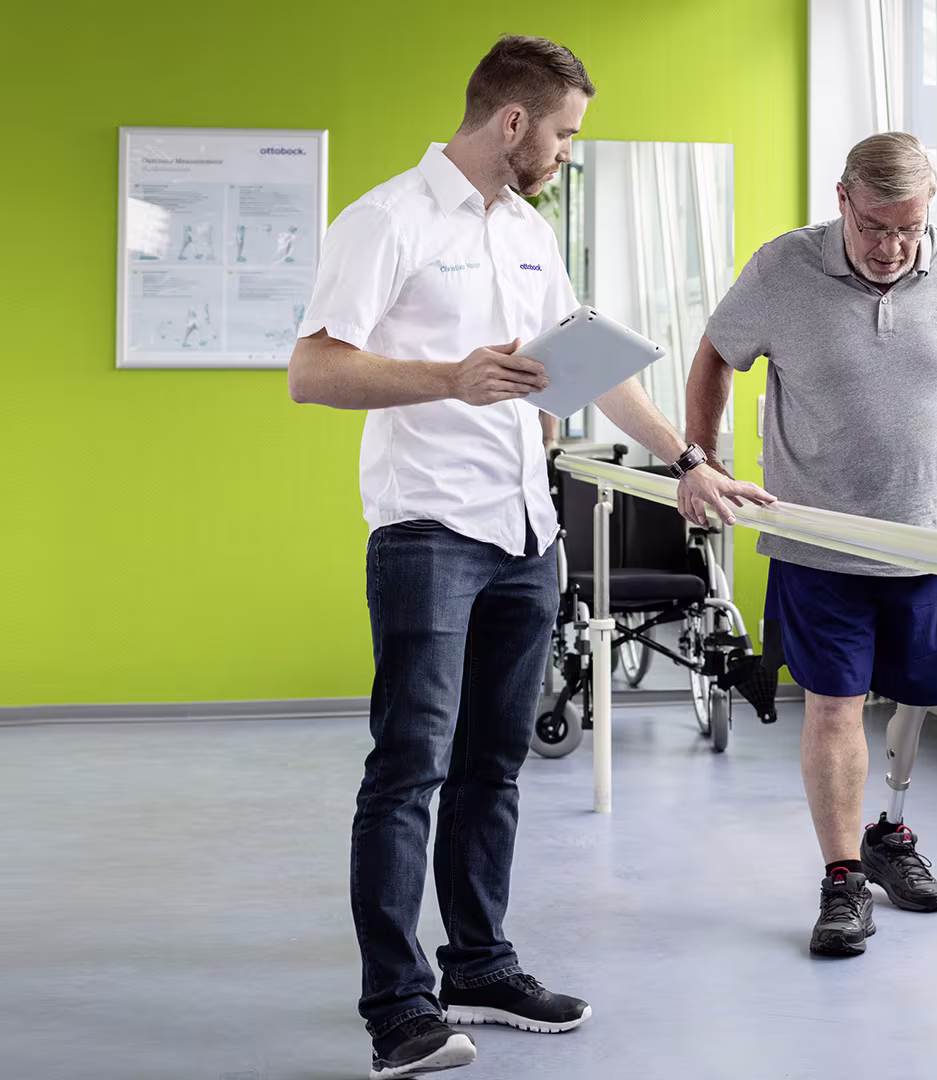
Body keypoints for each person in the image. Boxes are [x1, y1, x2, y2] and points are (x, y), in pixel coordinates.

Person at [287, 34, 772, 1079]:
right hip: (428, 530)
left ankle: (479, 964)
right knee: (409, 766)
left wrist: (688, 458)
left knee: (492, 766)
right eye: (563, 134)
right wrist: (447, 379)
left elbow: (589, 368)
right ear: (513, 123)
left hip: (524, 533)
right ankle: (398, 1006)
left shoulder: (525, 233)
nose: (566, 154)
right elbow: (313, 372)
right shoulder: (386, 219)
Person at [682, 132, 937, 958]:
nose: (892, 248)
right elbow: (715, 354)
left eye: (910, 230)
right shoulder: (783, 268)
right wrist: (701, 456)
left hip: (930, 540)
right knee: (834, 706)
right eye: (875, 227)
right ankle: (844, 878)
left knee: (919, 693)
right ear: (842, 199)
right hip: (819, 540)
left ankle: (889, 834)